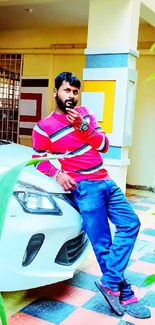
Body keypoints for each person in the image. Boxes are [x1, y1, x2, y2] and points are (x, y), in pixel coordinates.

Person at [32, 72, 150, 319]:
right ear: (56, 93)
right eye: (67, 91)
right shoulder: (43, 127)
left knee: (131, 223)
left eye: (75, 91)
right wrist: (57, 173)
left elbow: (104, 145)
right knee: (102, 242)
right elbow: (38, 159)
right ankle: (124, 290)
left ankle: (110, 282)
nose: (72, 96)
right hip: (84, 187)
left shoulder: (85, 115)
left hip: (105, 180)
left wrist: (83, 127)